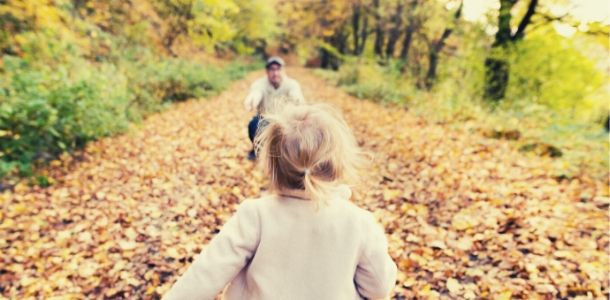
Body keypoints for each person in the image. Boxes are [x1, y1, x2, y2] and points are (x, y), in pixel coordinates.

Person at [164, 104, 397, 300]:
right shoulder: (358, 222)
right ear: (338, 165)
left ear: (272, 166)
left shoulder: (256, 215)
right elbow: (379, 288)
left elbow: (205, 275)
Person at [244, 56, 305, 160]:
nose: (275, 73)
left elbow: (296, 96)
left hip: (286, 121)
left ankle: (289, 152)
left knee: (301, 127)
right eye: (272, 69)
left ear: (283, 71)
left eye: (278, 69)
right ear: (267, 71)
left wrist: (297, 100)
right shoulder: (260, 83)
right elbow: (257, 92)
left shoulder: (292, 84)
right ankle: (258, 149)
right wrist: (252, 99)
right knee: (253, 124)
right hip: (265, 119)